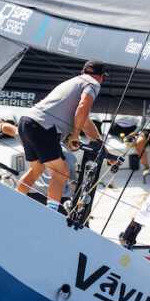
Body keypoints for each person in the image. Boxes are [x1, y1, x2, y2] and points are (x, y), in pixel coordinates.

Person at [14, 61, 106, 212]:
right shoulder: (93, 83)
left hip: (26, 121)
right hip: (43, 127)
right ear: (101, 77)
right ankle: (50, 214)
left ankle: (13, 202)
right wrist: (75, 135)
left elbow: (84, 120)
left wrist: (100, 144)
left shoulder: (74, 81)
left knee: (37, 168)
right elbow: (83, 107)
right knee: (61, 171)